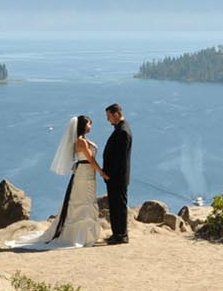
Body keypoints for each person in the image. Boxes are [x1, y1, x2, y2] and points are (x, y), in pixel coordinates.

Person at [7, 115, 109, 250]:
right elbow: (91, 159)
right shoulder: (81, 142)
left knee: (86, 200)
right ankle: (80, 235)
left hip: (87, 173)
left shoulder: (82, 140)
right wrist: (102, 172)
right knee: (83, 201)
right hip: (84, 173)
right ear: (83, 126)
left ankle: (86, 235)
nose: (91, 126)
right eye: (89, 124)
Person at [102, 103, 132, 245]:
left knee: (119, 206)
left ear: (116, 114)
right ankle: (117, 233)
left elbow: (120, 159)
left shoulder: (123, 131)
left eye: (109, 116)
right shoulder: (121, 129)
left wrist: (109, 175)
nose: (108, 120)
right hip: (114, 176)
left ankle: (121, 235)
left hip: (117, 177)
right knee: (114, 206)